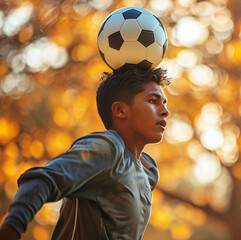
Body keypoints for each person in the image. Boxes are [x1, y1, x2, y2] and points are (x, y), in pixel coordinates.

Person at [0, 65, 170, 239]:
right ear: (120, 110)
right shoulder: (107, 148)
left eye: (164, 103)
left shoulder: (149, 171)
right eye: (152, 101)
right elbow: (42, 179)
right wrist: (11, 228)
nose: (165, 111)